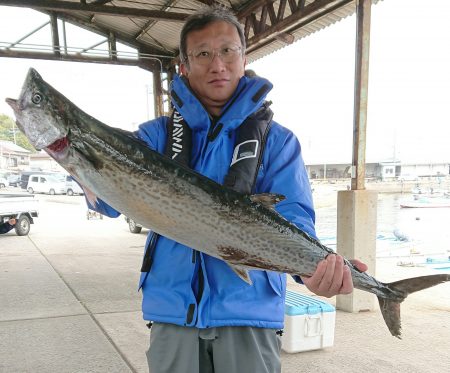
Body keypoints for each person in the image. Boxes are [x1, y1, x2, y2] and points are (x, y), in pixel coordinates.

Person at [85, 6, 367, 373]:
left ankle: (381, 289)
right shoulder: (156, 135)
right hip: (173, 313)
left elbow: (293, 217)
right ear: (183, 65)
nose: (217, 65)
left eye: (227, 51)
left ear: (243, 57)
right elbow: (108, 203)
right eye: (202, 53)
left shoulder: (277, 142)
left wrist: (312, 271)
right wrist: (76, 160)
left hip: (248, 315)